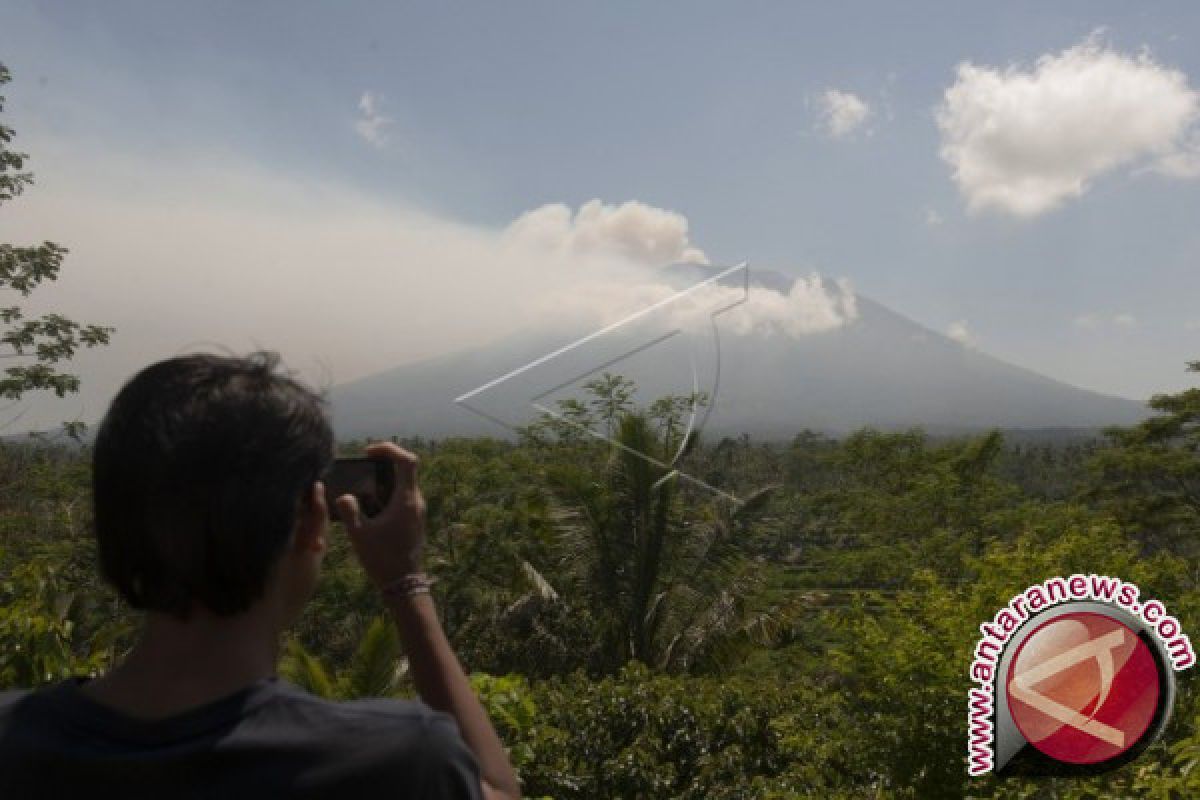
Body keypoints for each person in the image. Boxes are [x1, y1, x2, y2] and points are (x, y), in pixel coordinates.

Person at [0, 352, 522, 800]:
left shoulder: (15, 742)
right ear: (314, 521)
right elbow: (497, 788)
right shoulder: (394, 763)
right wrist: (406, 581)